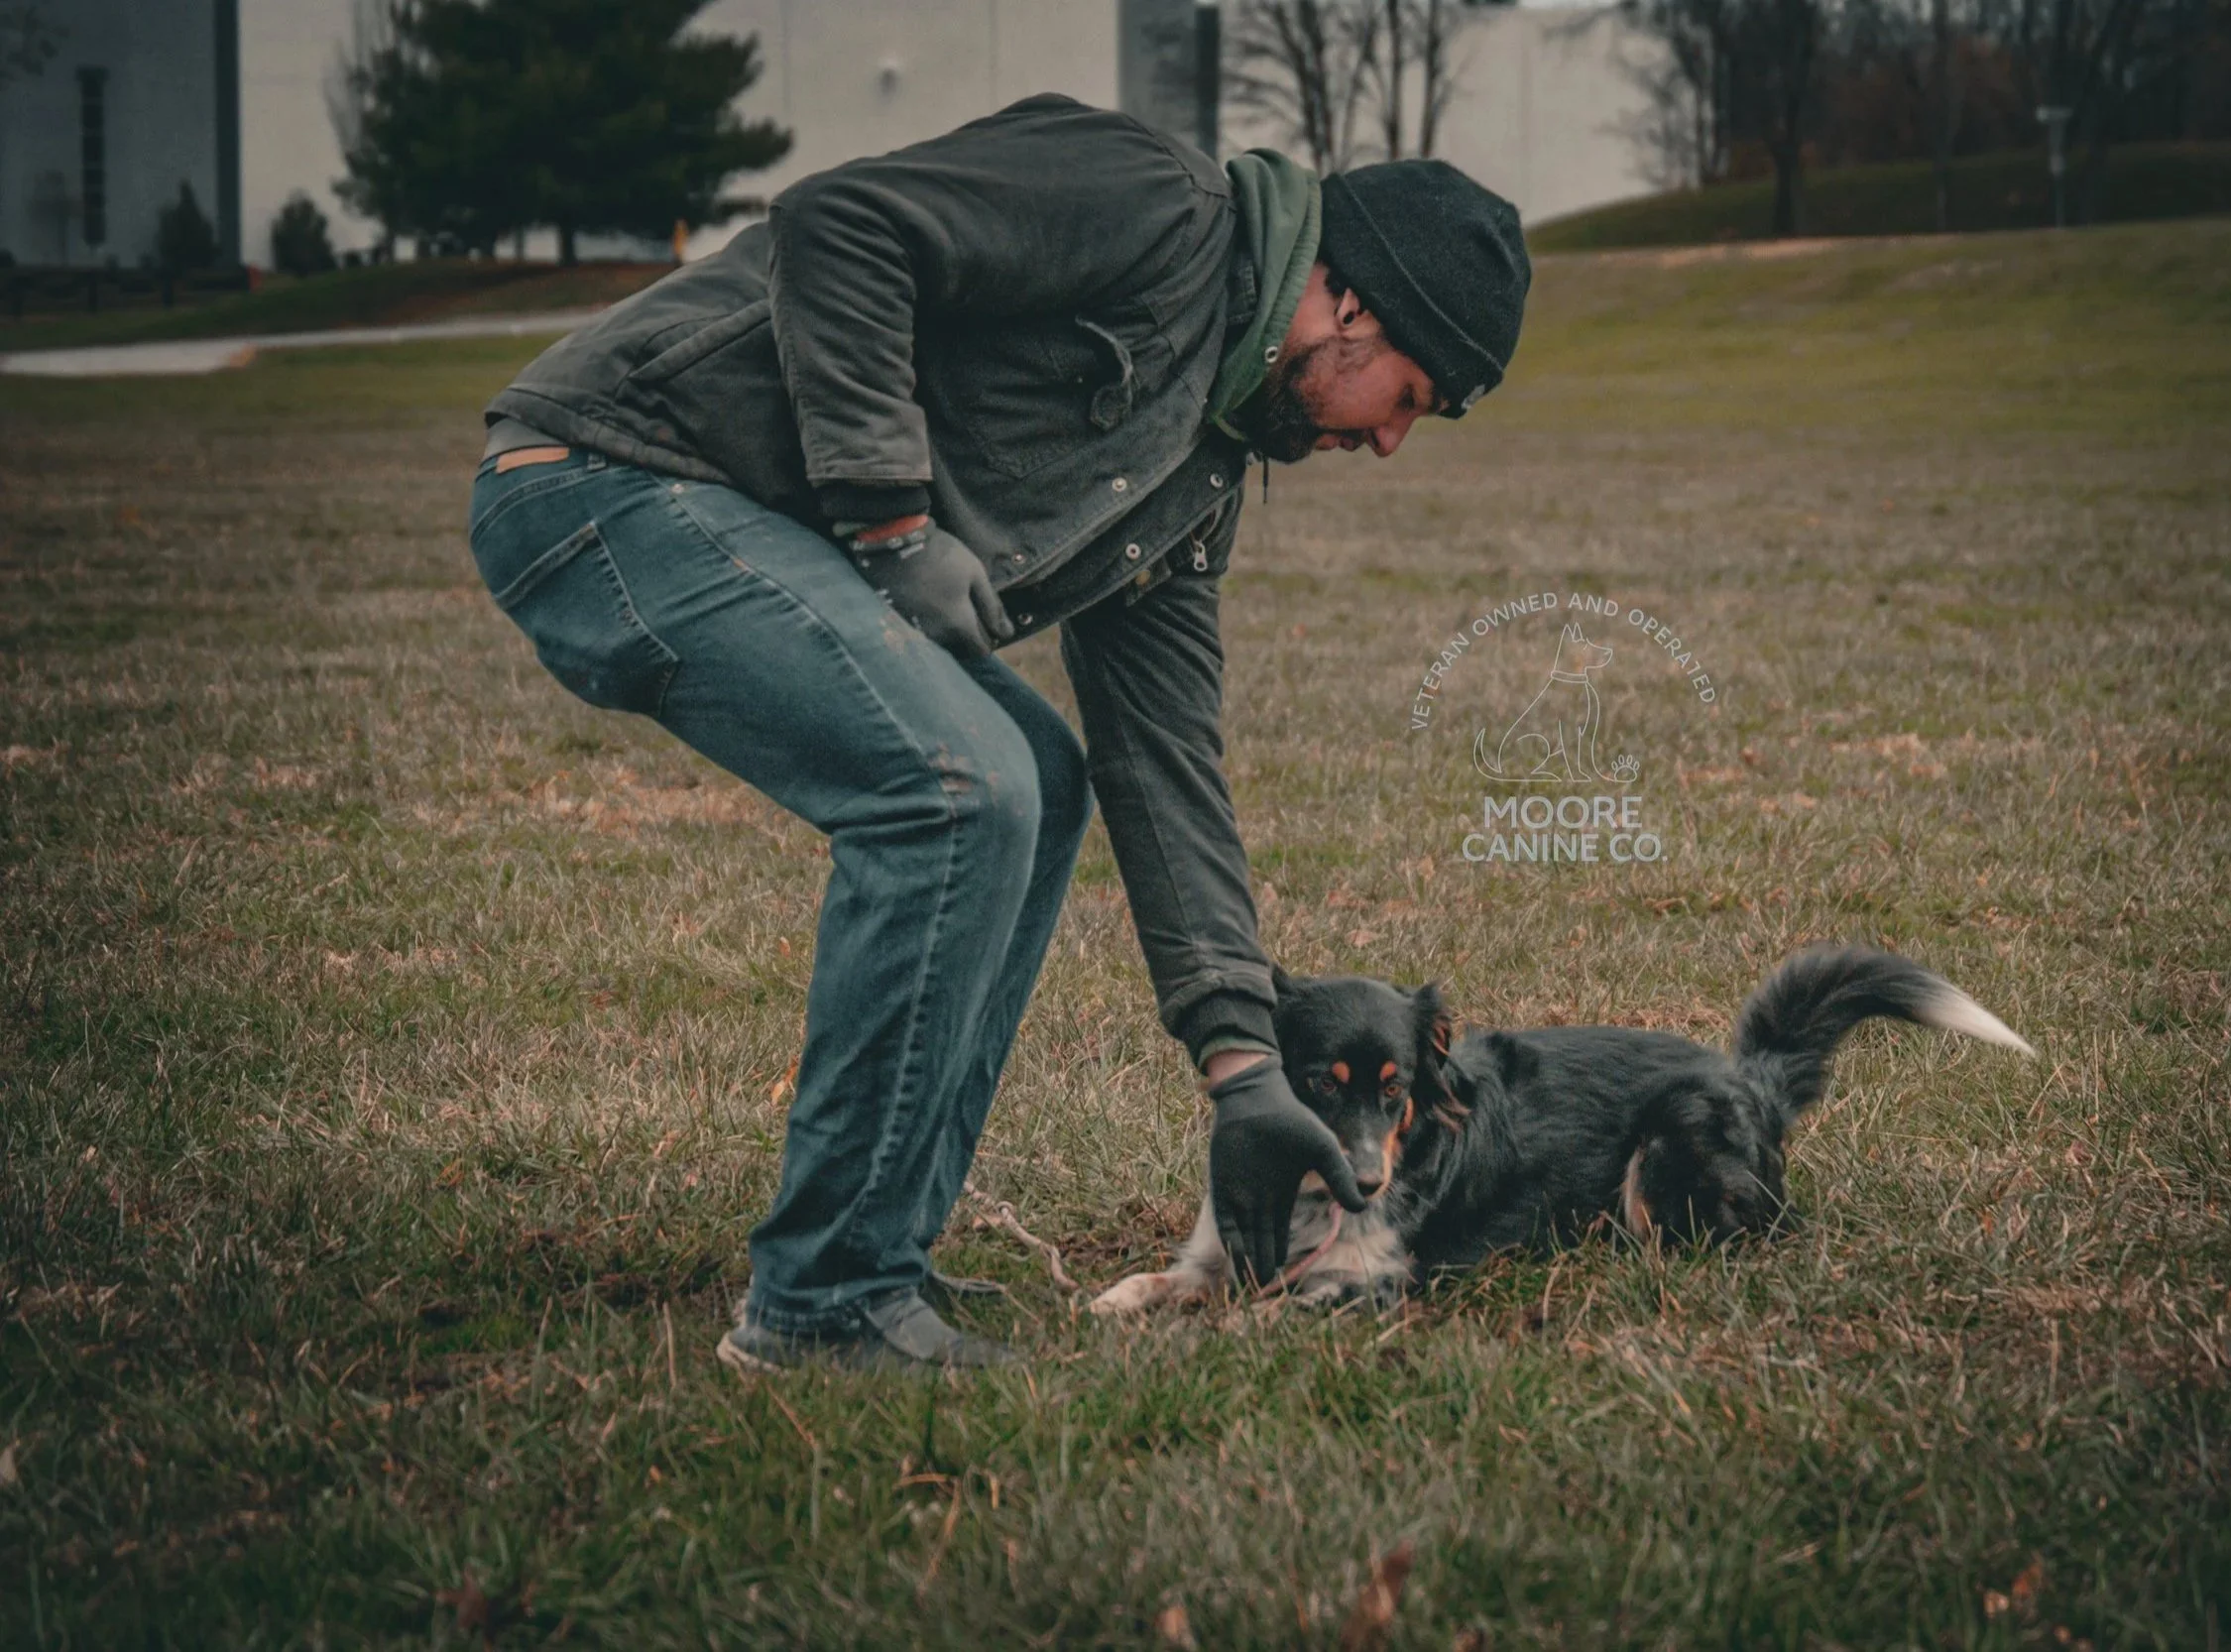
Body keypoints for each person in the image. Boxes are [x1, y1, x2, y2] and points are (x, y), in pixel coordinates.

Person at [464, 94, 1529, 1372]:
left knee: (1043, 777)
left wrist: (1246, 1070)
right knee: (959, 788)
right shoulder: (1155, 202)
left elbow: (1161, 762)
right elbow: (839, 226)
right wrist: (891, 521)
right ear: (1352, 303)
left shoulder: (1200, 471)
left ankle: (883, 1260)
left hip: (731, 517)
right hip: (607, 470)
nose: (1389, 443)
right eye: (1406, 397)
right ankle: (824, 1303)